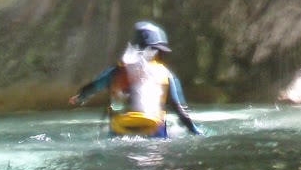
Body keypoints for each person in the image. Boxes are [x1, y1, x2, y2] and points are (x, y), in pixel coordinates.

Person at [69, 20, 203, 137]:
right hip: (153, 128)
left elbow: (93, 87)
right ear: (158, 52)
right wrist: (195, 131)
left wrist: (80, 98)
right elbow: (180, 110)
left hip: (121, 127)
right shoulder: (166, 74)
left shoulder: (118, 71)